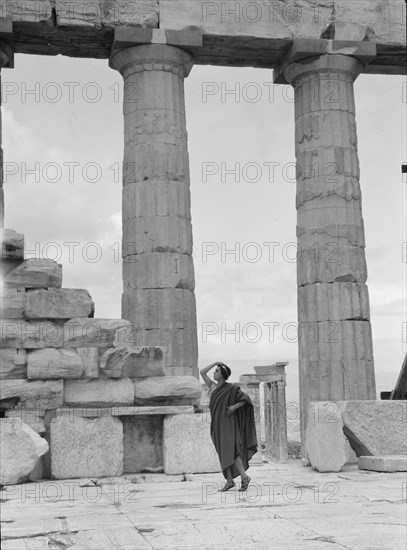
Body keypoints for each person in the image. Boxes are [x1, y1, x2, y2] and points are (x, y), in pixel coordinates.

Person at [200, 361, 258, 492]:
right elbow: (202, 372)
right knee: (223, 452)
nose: (214, 373)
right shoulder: (213, 387)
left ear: (222, 375)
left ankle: (244, 477)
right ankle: (230, 481)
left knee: (232, 451)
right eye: (215, 371)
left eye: (217, 371)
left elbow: (246, 399)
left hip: (228, 424)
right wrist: (215, 363)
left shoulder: (231, 389)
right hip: (216, 425)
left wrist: (234, 407)